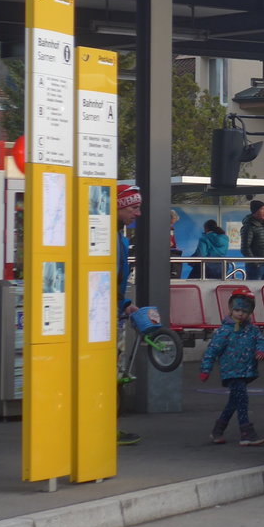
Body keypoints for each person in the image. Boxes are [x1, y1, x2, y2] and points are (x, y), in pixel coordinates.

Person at [199, 287, 264, 446]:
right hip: (231, 372)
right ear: (231, 309)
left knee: (234, 402)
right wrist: (205, 369)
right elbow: (212, 350)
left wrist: (261, 351)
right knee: (242, 400)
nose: (240, 314)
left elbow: (261, 342)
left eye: (245, 311)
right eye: (237, 310)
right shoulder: (224, 331)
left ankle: (218, 431)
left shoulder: (252, 330)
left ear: (250, 312)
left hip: (245, 371)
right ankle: (246, 433)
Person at [115, 184, 143, 447]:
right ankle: (107, 427)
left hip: (113, 314)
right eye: (133, 208)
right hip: (104, 319)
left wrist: (124, 303)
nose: (138, 213)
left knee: (116, 373)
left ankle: (111, 426)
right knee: (112, 374)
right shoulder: (110, 238)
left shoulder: (118, 238)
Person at [240, 199, 264, 279]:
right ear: (255, 211)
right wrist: (255, 263)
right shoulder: (249, 227)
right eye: (262, 209)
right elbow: (245, 248)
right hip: (256, 267)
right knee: (254, 288)